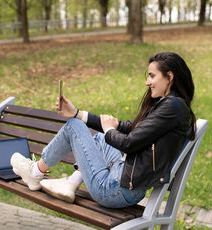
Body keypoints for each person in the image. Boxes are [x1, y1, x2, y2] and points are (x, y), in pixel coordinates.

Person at [11, 52, 196, 209]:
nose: (148, 82)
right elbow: (131, 129)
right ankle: (70, 183)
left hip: (115, 190)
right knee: (98, 136)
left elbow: (129, 143)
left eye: (152, 76)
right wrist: (78, 113)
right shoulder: (172, 106)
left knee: (75, 127)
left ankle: (34, 173)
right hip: (126, 185)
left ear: (170, 77)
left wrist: (109, 131)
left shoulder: (172, 107)